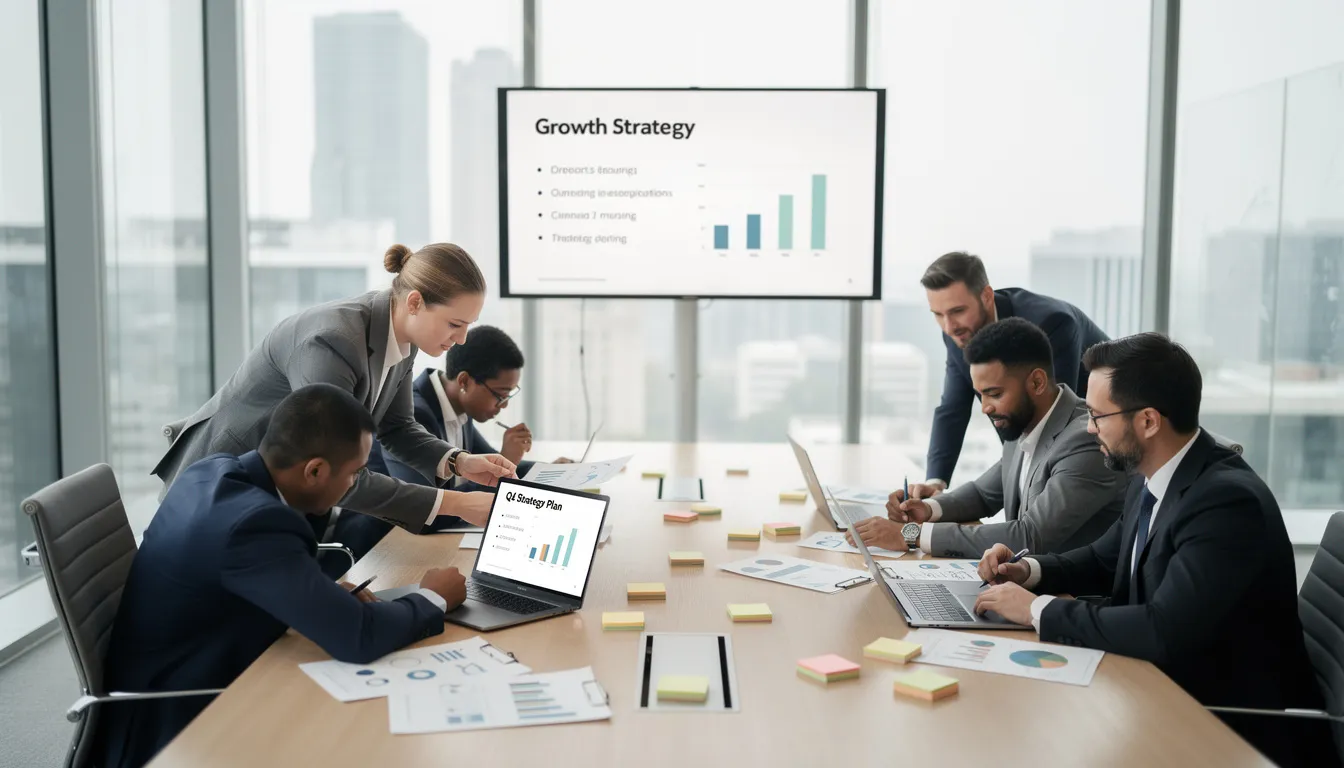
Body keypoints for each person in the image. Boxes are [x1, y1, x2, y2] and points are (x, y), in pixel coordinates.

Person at [972, 334, 1333, 767]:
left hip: (1230, 727)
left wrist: (1036, 610)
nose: (1089, 428)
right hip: (1163, 692)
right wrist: (1028, 571)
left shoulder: (1226, 503)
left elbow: (1163, 631)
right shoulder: (1151, 475)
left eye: (1097, 415)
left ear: (1147, 421)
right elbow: (1103, 559)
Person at [95, 385, 468, 768]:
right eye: (355, 474)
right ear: (315, 470)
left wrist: (315, 590)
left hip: (179, 665)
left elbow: (244, 575)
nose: (354, 484)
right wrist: (432, 597)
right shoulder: (256, 524)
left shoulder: (213, 469)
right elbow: (358, 636)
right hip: (179, 717)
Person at [151, 243, 516, 539]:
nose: (462, 339)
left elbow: (396, 428)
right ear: (415, 303)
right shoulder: (333, 341)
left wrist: (459, 461)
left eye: (468, 326)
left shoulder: (403, 339)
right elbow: (332, 470)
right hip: (218, 494)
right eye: (455, 324)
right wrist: (455, 503)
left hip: (271, 501)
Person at [848, 318, 1123, 557]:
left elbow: (1029, 536)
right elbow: (983, 494)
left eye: (995, 394)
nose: (985, 408)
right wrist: (926, 509)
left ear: (1037, 382)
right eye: (981, 395)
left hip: (1070, 594)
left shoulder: (1086, 439)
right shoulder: (1024, 420)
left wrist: (911, 535)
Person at [336, 325, 575, 557]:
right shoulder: (414, 415)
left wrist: (551, 472)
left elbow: (489, 464)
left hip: (414, 544)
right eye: (500, 395)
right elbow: (428, 512)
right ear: (464, 381)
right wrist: (505, 461)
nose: (503, 405)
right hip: (376, 548)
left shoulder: (460, 408)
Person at [916, 251, 1109, 496]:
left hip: (1099, 447)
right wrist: (935, 482)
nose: (948, 326)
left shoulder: (1052, 323)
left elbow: (1051, 422)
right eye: (938, 314)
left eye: (957, 311)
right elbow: (952, 409)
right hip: (1043, 456)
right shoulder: (958, 333)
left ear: (987, 296)